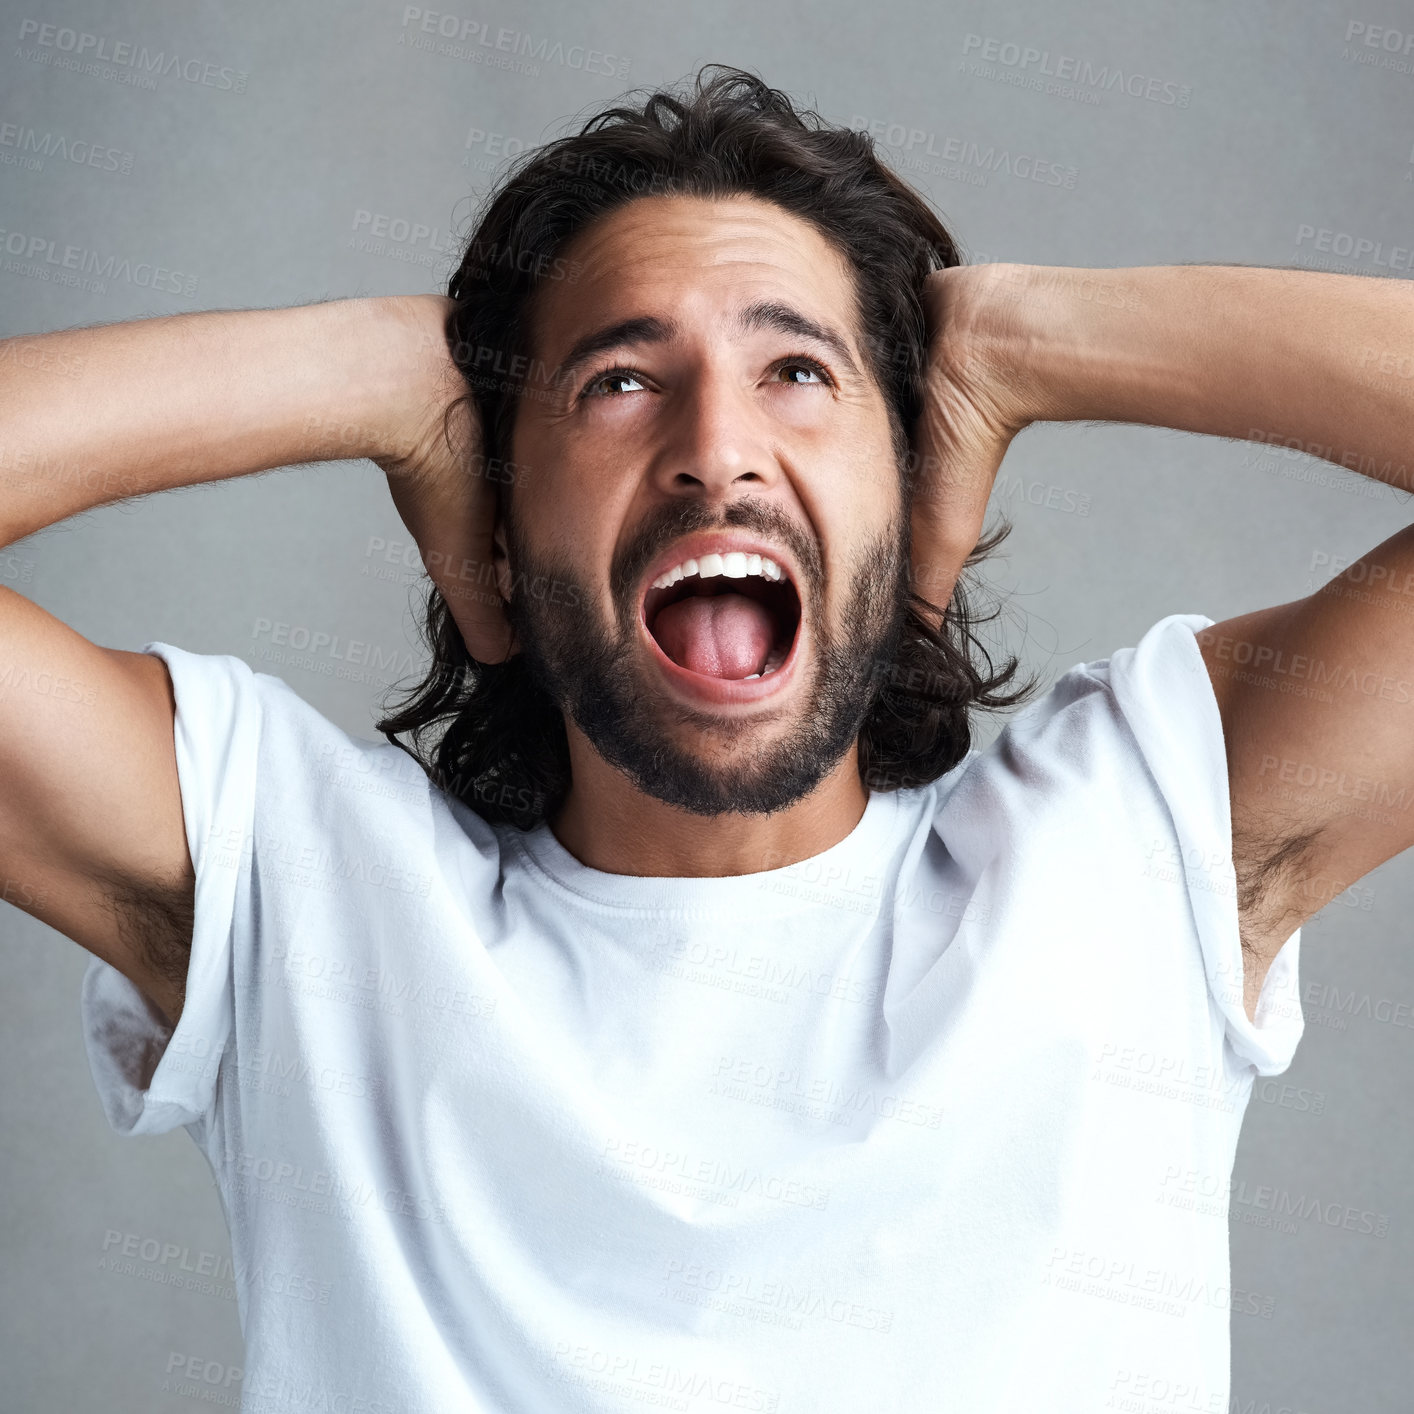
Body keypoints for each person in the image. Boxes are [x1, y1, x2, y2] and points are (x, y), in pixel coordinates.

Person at [3, 63, 1411, 1412]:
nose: (714, 447)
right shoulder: (306, 891)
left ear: (914, 490)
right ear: (493, 522)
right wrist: (360, 369)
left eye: (797, 370)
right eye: (616, 382)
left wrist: (1026, 341)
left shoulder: (1137, 838)